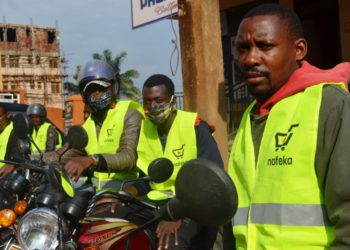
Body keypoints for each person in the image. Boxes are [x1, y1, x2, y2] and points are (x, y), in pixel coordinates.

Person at [227, 3, 350, 249]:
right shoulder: (251, 115)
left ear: (299, 50)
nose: (250, 58)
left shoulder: (329, 103)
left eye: (265, 46)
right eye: (243, 48)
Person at [126, 74, 224, 250]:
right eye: (147, 102)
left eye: (158, 100)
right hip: (157, 204)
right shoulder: (144, 131)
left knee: (170, 242)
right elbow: (146, 181)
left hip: (194, 205)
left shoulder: (195, 127)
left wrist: (179, 213)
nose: (152, 106)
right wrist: (122, 195)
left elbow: (211, 179)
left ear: (172, 101)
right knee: (113, 227)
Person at [60, 59, 144, 191]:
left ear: (114, 86)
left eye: (101, 89)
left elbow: (129, 157)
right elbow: (64, 154)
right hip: (97, 190)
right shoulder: (88, 124)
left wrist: (92, 160)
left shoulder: (130, 114)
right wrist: (33, 158)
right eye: (91, 91)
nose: (96, 95)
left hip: (125, 189)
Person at [0, 104, 21, 177]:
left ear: (7, 115)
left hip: (6, 177)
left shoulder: (15, 131)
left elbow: (17, 157)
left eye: (0, 116)